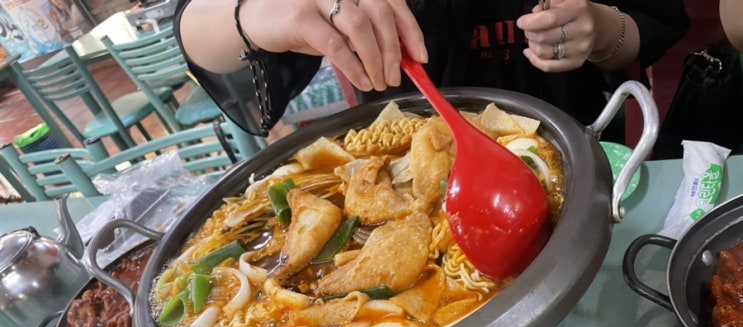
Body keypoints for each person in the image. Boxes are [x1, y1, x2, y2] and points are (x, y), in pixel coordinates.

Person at [174, 0, 688, 139]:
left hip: (576, 149)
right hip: (407, 179)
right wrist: (257, 12)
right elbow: (197, 29)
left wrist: (603, 28)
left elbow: (644, 28)